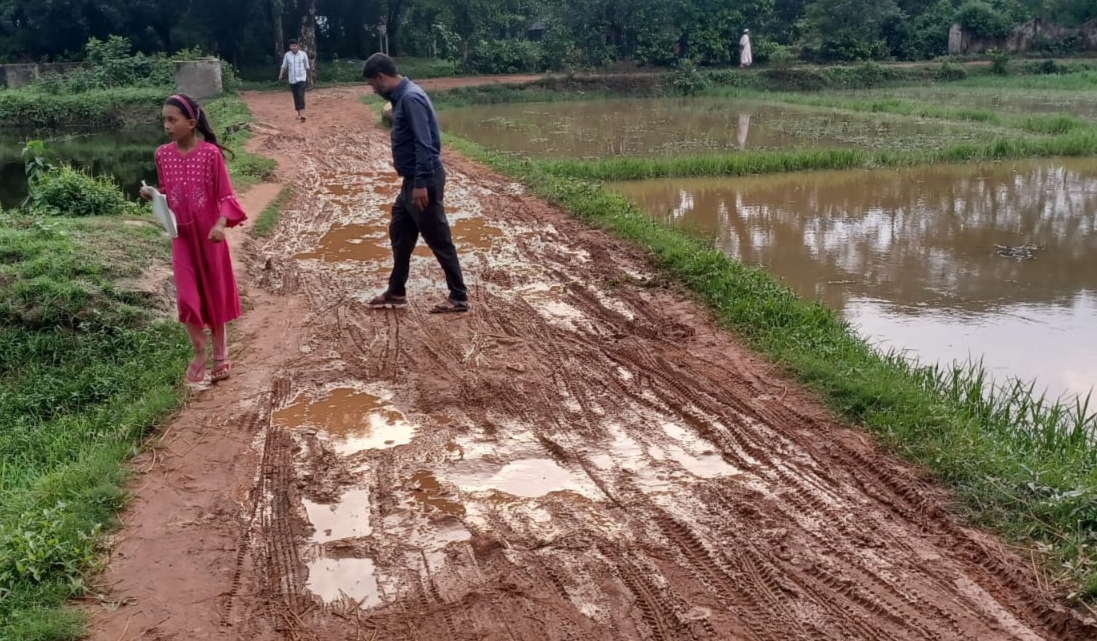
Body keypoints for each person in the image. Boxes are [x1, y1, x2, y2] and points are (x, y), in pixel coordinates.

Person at [141, 94, 248, 383]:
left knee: (215, 294)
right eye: (164, 119)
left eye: (172, 119)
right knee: (187, 296)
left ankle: (221, 354)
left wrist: (220, 223)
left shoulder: (211, 155)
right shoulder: (162, 154)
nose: (166, 125)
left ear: (191, 123)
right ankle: (199, 348)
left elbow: (226, 195)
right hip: (181, 236)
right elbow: (167, 192)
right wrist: (153, 194)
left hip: (210, 236)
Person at [361, 53, 469, 314]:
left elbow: (425, 144)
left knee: (439, 239)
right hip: (411, 182)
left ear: (381, 77)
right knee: (400, 232)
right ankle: (396, 291)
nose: (373, 90)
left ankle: (459, 296)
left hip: (423, 181)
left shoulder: (410, 98)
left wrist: (420, 183)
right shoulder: (402, 98)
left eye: (372, 85)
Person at [278, 39, 311, 121]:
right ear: (289, 47)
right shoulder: (287, 55)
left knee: (300, 95)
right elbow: (284, 66)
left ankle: (303, 114)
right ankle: (299, 113)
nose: (293, 47)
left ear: (297, 46)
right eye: (291, 46)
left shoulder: (303, 54)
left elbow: (307, 67)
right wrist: (281, 74)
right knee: (295, 96)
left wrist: (309, 77)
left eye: (294, 45)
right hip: (292, 79)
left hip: (301, 78)